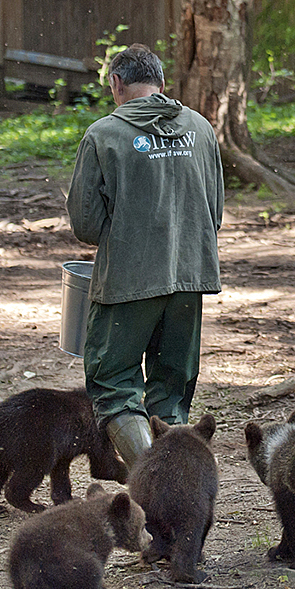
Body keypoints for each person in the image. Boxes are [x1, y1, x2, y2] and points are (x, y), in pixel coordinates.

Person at [66, 44, 224, 468]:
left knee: (114, 383)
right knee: (171, 390)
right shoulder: (200, 128)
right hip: (191, 276)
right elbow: (215, 212)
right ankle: (176, 482)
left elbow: (85, 225)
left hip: (126, 283)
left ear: (116, 83)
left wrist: (127, 238)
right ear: (161, 83)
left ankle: (153, 480)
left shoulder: (103, 135)